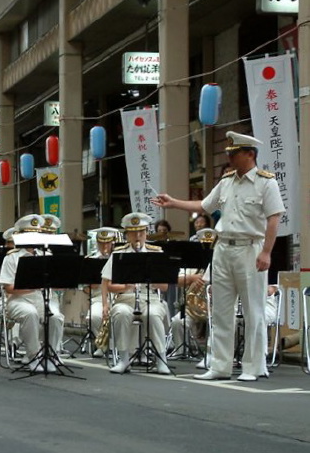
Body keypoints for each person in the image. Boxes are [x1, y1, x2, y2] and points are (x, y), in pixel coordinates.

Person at [152, 131, 285, 381]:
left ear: (250, 154)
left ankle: (253, 367)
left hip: (250, 247)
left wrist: (267, 252)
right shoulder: (226, 181)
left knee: (252, 310)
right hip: (223, 247)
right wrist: (174, 203)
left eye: (234, 154)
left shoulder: (267, 183)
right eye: (229, 154)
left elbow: (274, 218)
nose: (230, 158)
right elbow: (204, 206)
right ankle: (219, 365)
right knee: (221, 310)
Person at [101, 212, 170, 375]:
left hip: (151, 298)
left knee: (153, 314)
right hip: (125, 299)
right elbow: (107, 283)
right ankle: (124, 358)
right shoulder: (119, 254)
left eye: (141, 232)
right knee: (121, 313)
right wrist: (123, 288)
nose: (137, 236)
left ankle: (161, 359)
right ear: (127, 234)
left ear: (146, 232)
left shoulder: (156, 253)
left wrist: (151, 280)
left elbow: (165, 287)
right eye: (133, 232)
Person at [0, 214, 65, 373]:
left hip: (43, 299)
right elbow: (8, 288)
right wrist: (33, 286)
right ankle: (33, 355)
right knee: (30, 314)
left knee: (55, 317)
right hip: (19, 300)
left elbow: (57, 283)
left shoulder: (47, 256)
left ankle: (50, 354)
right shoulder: (12, 258)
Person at [169, 228, 216, 359]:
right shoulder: (192, 264)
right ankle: (181, 351)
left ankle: (212, 355)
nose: (207, 250)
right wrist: (191, 279)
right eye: (204, 246)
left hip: (215, 308)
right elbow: (175, 280)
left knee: (219, 323)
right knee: (177, 321)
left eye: (210, 246)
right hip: (194, 309)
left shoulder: (220, 264)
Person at [84, 227, 119, 357]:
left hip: (118, 295)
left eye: (108, 242)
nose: (105, 246)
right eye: (101, 243)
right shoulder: (91, 259)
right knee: (94, 316)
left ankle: (114, 346)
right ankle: (102, 344)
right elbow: (87, 286)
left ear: (113, 242)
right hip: (99, 297)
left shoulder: (119, 257)